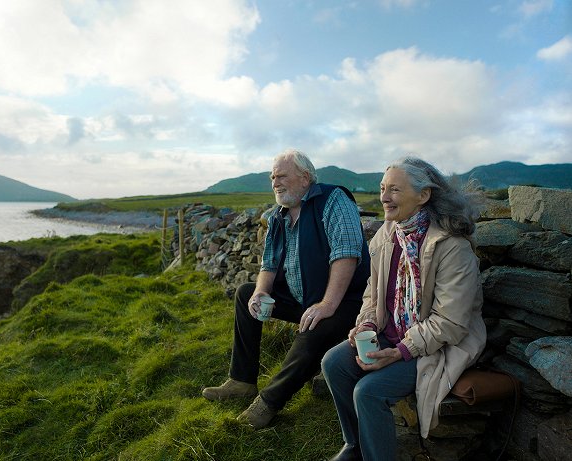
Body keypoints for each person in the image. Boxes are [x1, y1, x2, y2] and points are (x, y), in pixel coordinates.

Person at [321, 157, 487, 461]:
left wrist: (400, 351)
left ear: (423, 196)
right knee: (334, 363)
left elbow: (450, 322)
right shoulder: (387, 235)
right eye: (383, 188)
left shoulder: (452, 246)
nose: (384, 197)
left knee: (368, 392)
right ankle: (355, 445)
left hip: (438, 346)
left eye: (394, 190)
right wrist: (368, 324)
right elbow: (373, 295)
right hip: (393, 334)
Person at [202, 148, 370, 429]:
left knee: (311, 329)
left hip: (347, 303)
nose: (275, 182)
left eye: (281, 176)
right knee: (246, 294)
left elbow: (346, 254)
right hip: (306, 298)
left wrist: (327, 304)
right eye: (272, 177)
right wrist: (260, 293)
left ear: (305, 178)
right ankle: (242, 381)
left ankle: (268, 402)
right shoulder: (279, 216)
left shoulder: (333, 200)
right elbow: (268, 263)